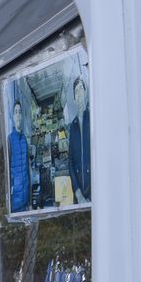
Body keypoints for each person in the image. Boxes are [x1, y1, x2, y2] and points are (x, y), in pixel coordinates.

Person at [67, 75, 90, 204]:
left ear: (85, 93)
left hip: (95, 190)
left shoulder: (93, 119)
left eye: (81, 88)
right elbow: (70, 162)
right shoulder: (73, 126)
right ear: (75, 99)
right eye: (76, 91)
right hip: (79, 194)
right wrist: (77, 192)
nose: (79, 93)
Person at [7, 98, 30, 213]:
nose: (18, 115)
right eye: (15, 112)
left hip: (25, 198)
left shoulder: (24, 139)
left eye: (20, 112)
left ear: (22, 116)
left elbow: (27, 168)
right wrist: (11, 188)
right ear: (13, 116)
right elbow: (7, 170)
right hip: (15, 200)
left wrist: (29, 197)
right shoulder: (10, 140)